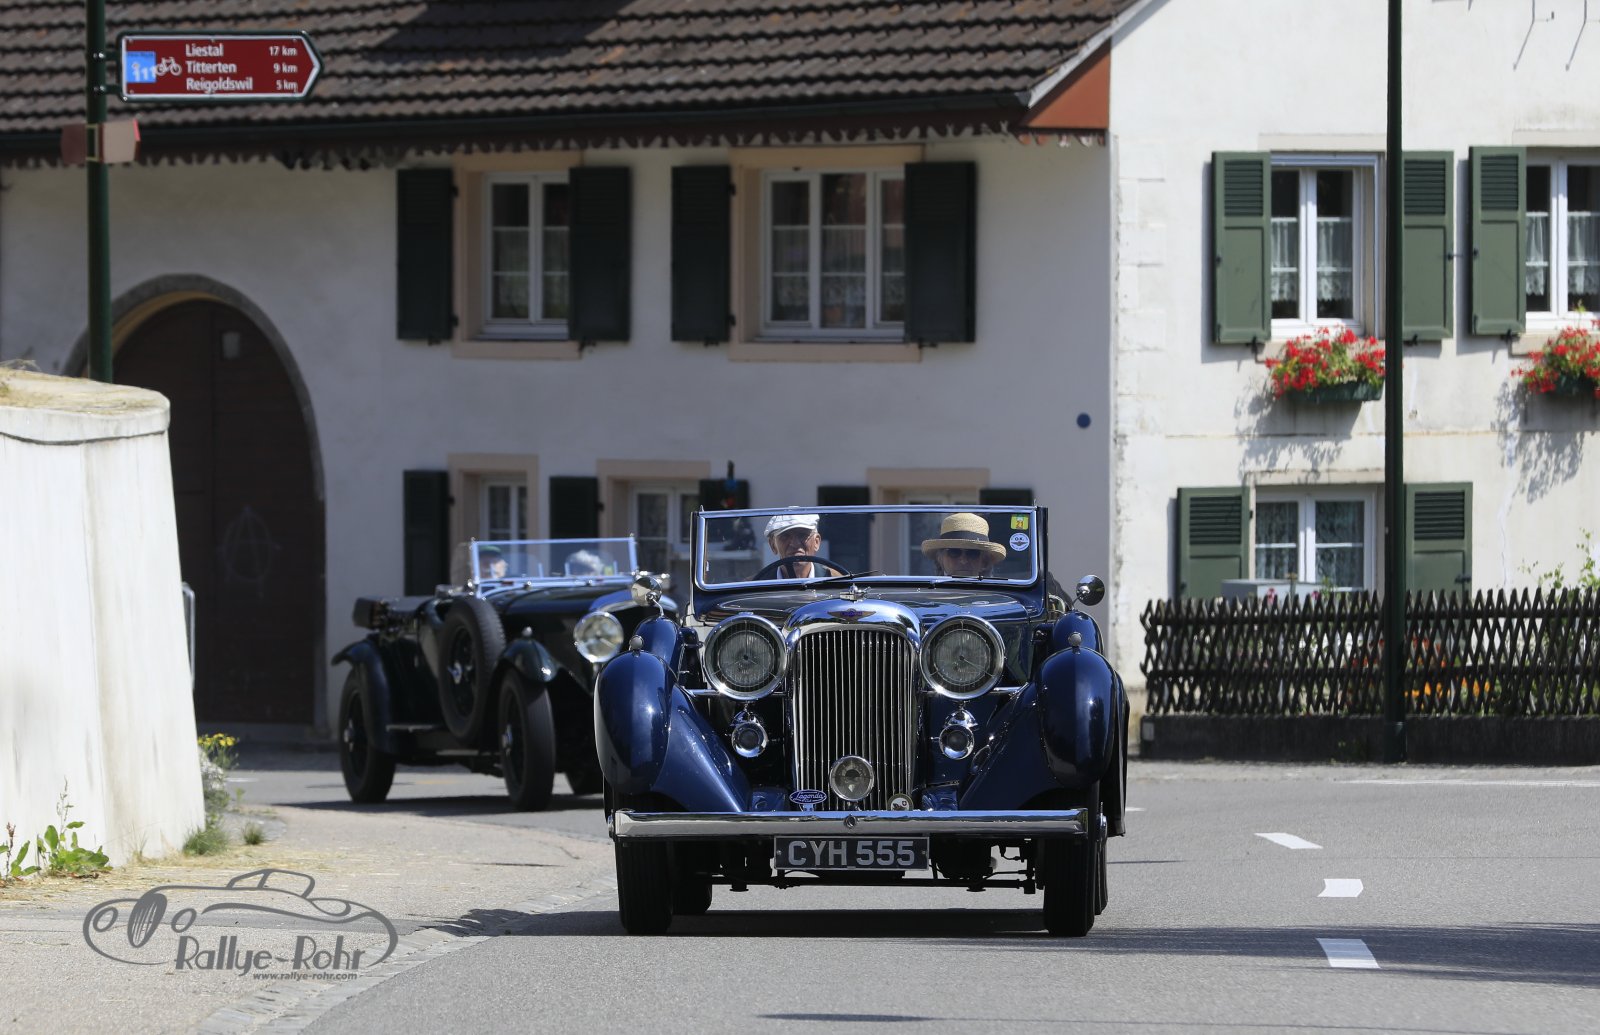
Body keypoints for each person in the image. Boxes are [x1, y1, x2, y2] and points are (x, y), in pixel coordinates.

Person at [921, 512, 1006, 577]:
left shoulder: (997, 594)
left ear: (984, 562)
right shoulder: (927, 593)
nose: (963, 560)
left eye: (972, 553)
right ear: (940, 559)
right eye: (954, 552)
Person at [761, 512, 823, 579]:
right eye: (785, 536)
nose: (795, 544)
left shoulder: (831, 578)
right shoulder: (758, 583)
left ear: (816, 542)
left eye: (802, 535)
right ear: (773, 545)